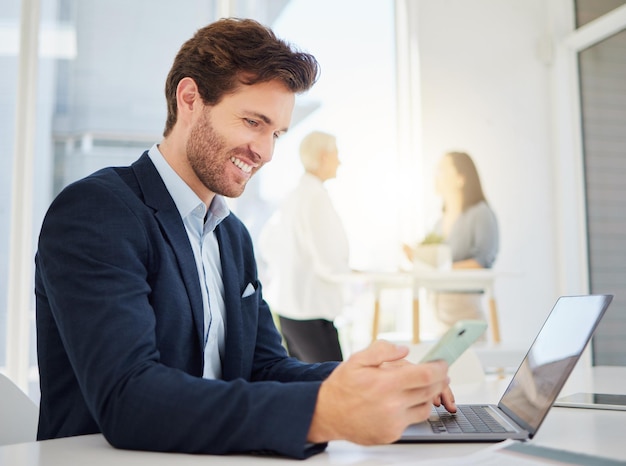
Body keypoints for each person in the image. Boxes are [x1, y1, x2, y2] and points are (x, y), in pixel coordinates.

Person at [35, 18, 455, 459]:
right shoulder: (97, 212)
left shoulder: (231, 236)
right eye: (253, 122)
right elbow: (128, 398)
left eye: (275, 133)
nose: (266, 151)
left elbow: (263, 368)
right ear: (190, 99)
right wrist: (323, 411)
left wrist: (367, 384)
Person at [259, 131, 348, 363]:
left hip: (290, 310)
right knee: (333, 385)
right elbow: (327, 260)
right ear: (323, 156)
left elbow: (266, 242)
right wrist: (350, 274)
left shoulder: (294, 195)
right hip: (311, 311)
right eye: (336, 153)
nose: (340, 160)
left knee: (305, 385)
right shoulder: (315, 197)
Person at [404, 151, 499, 335]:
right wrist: (417, 258)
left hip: (465, 311)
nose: (436, 175)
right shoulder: (438, 222)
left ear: (460, 179)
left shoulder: (480, 214)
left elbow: (481, 262)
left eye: (442, 170)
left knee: (469, 362)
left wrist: (441, 269)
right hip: (436, 314)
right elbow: (435, 263)